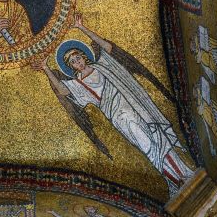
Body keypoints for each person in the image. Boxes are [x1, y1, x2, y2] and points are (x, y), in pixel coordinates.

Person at [33, 13, 194, 196]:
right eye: (73, 62)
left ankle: (184, 173)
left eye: (78, 58)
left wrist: (82, 28)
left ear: (84, 56)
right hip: (119, 116)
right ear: (71, 67)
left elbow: (107, 47)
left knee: (158, 135)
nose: (78, 62)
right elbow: (63, 91)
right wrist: (46, 68)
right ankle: (173, 179)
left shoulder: (102, 65)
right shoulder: (78, 83)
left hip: (135, 104)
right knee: (145, 143)